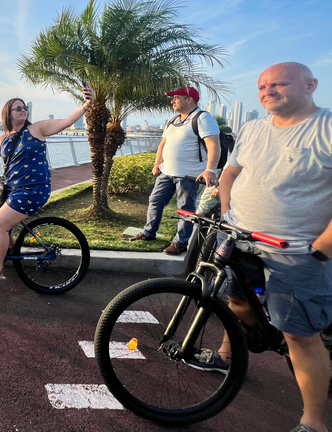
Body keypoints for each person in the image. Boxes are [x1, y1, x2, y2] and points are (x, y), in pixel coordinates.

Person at [192, 62, 332, 432]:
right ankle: (225, 355)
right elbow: (232, 172)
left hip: (297, 251)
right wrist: (226, 213)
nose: (268, 90)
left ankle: (314, 422)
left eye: (279, 83)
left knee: (299, 335)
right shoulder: (252, 128)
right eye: (262, 86)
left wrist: (323, 247)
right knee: (237, 302)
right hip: (239, 238)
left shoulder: (327, 127)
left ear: (310, 85)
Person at [0, 86, 94, 284]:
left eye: (24, 107)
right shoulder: (2, 139)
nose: (23, 110)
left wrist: (87, 105)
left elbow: (65, 122)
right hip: (11, 191)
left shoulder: (37, 128)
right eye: (18, 108)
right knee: (1, 225)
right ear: (8, 114)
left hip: (34, 189)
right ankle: (9, 252)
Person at [129, 86, 221, 255]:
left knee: (185, 207)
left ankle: (180, 242)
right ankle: (149, 232)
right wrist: (157, 164)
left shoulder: (202, 118)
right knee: (155, 201)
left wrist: (210, 169)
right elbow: (163, 143)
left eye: (177, 97)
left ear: (189, 99)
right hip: (166, 172)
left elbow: (213, 144)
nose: (172, 101)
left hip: (188, 174)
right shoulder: (172, 120)